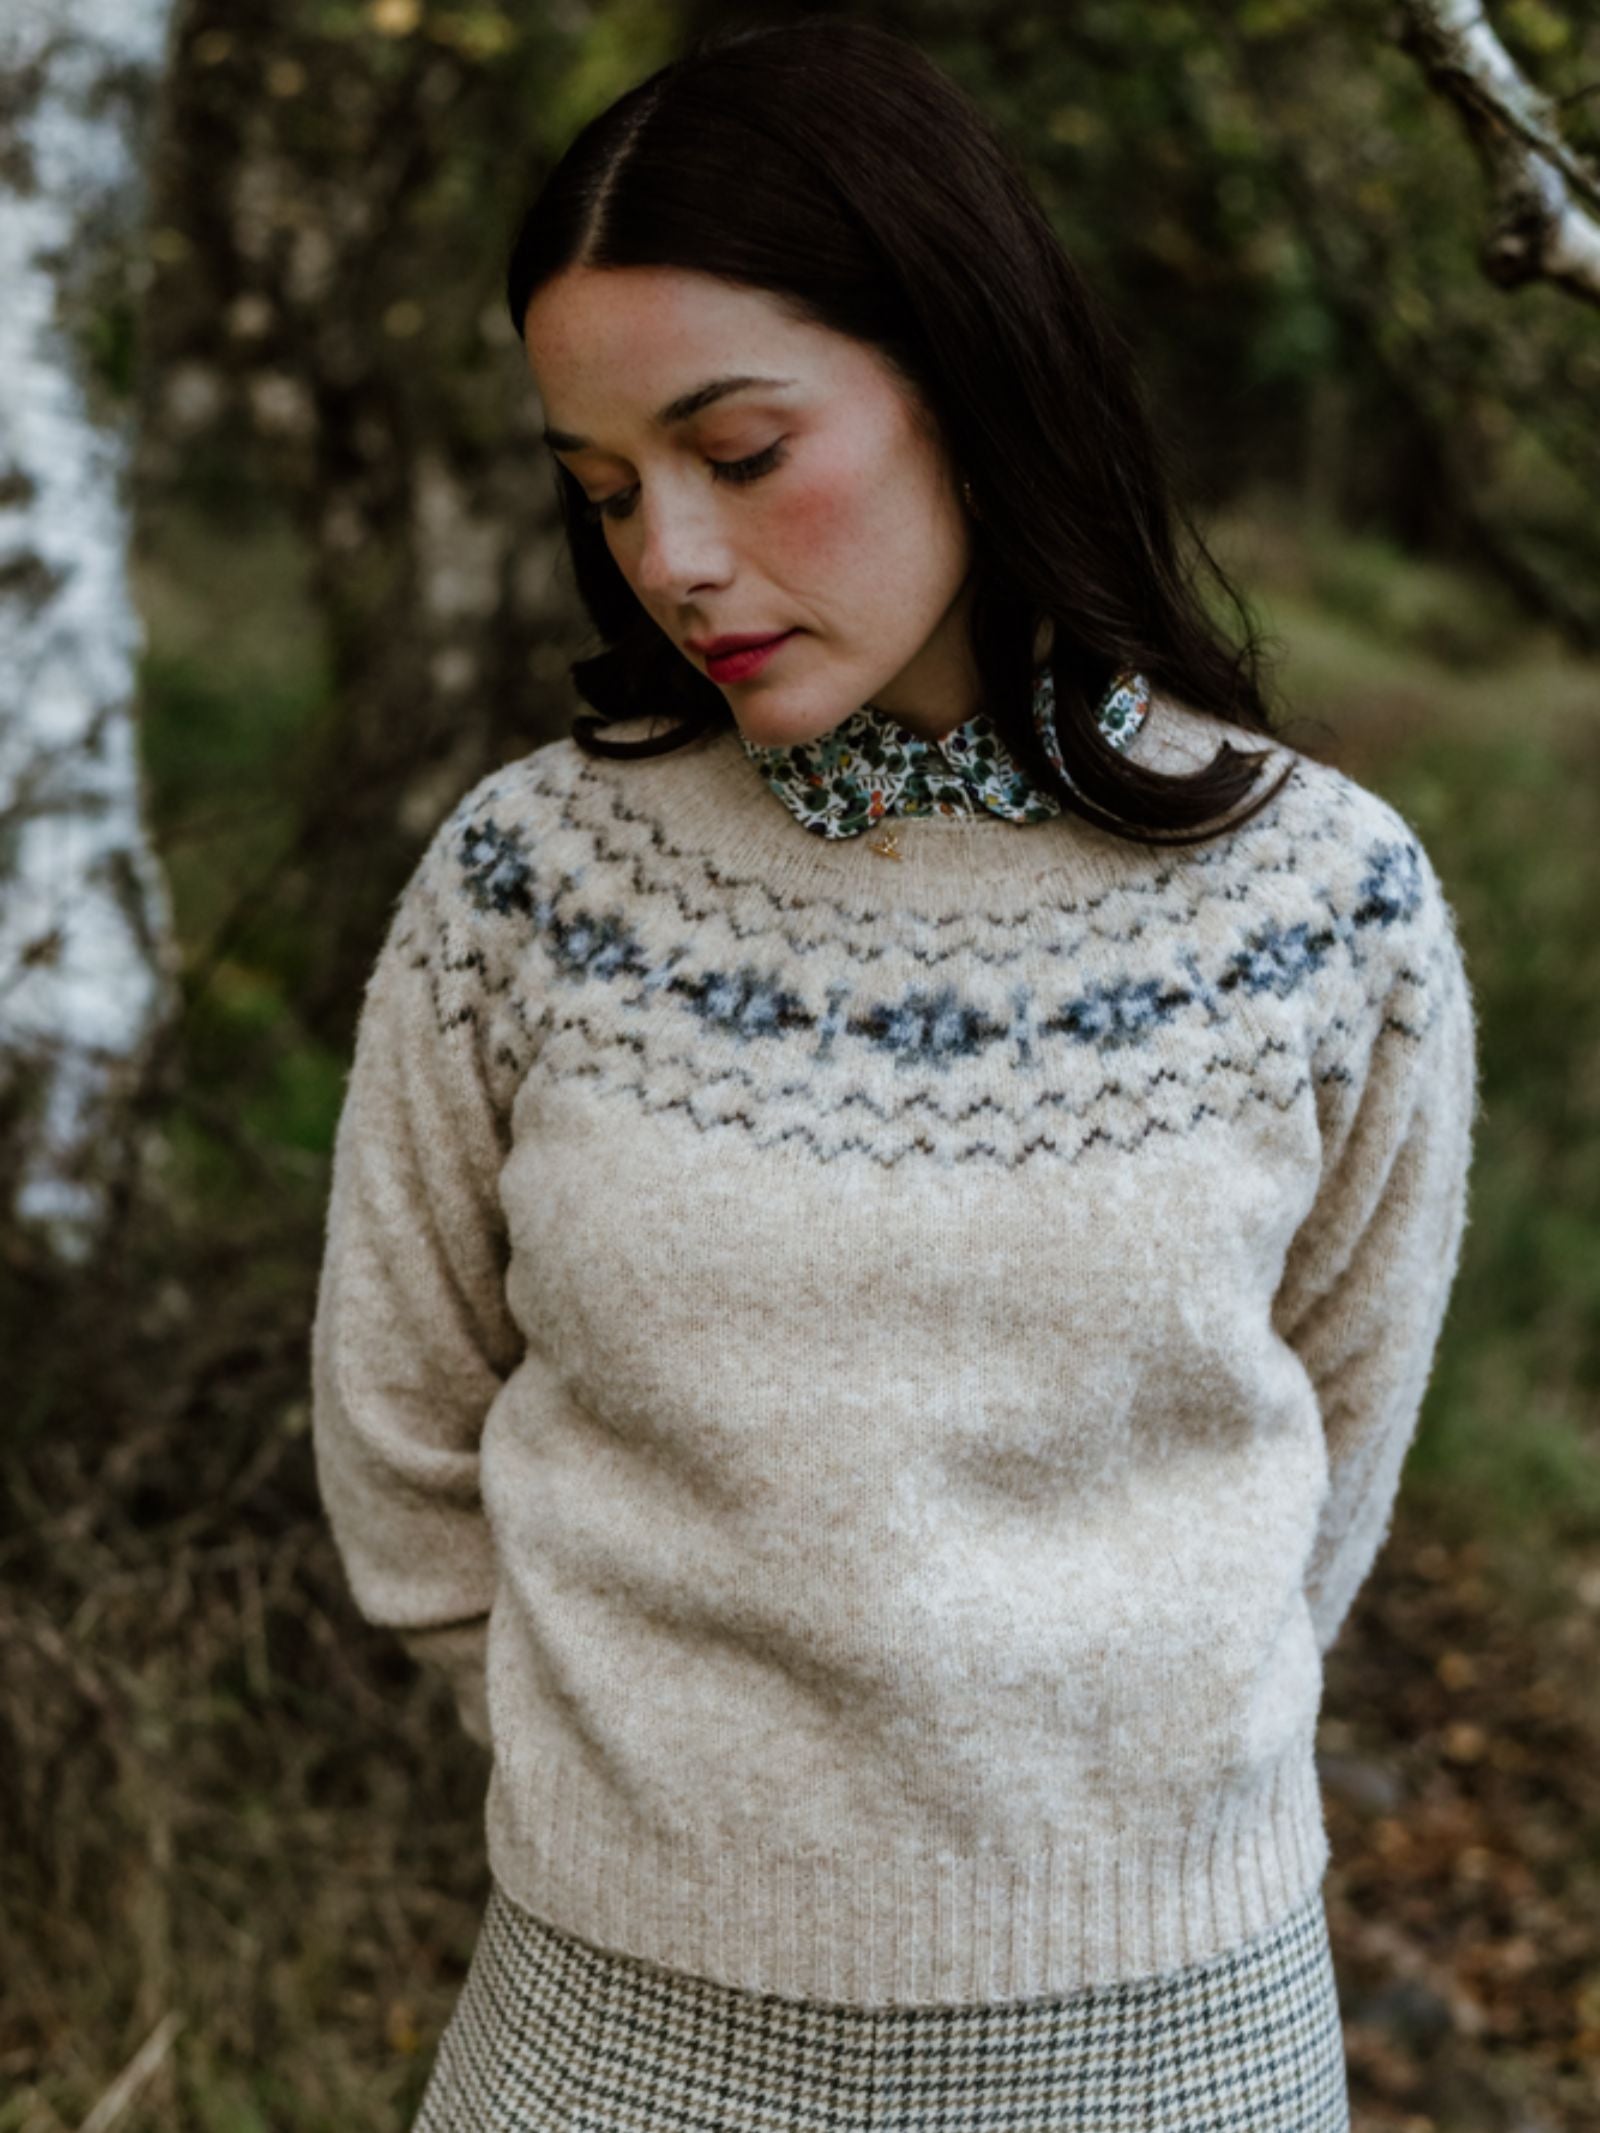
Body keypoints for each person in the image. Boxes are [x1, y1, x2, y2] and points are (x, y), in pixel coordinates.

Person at [309, 19, 1480, 2130]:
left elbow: (1323, 1455)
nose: (666, 554)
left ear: (961, 376)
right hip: (610, 2039)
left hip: (1173, 2053)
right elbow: (399, 1441)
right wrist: (671, 1808)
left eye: (737, 453)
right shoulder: (534, 880)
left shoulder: (1320, 910)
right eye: (601, 489)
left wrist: (1079, 1827)